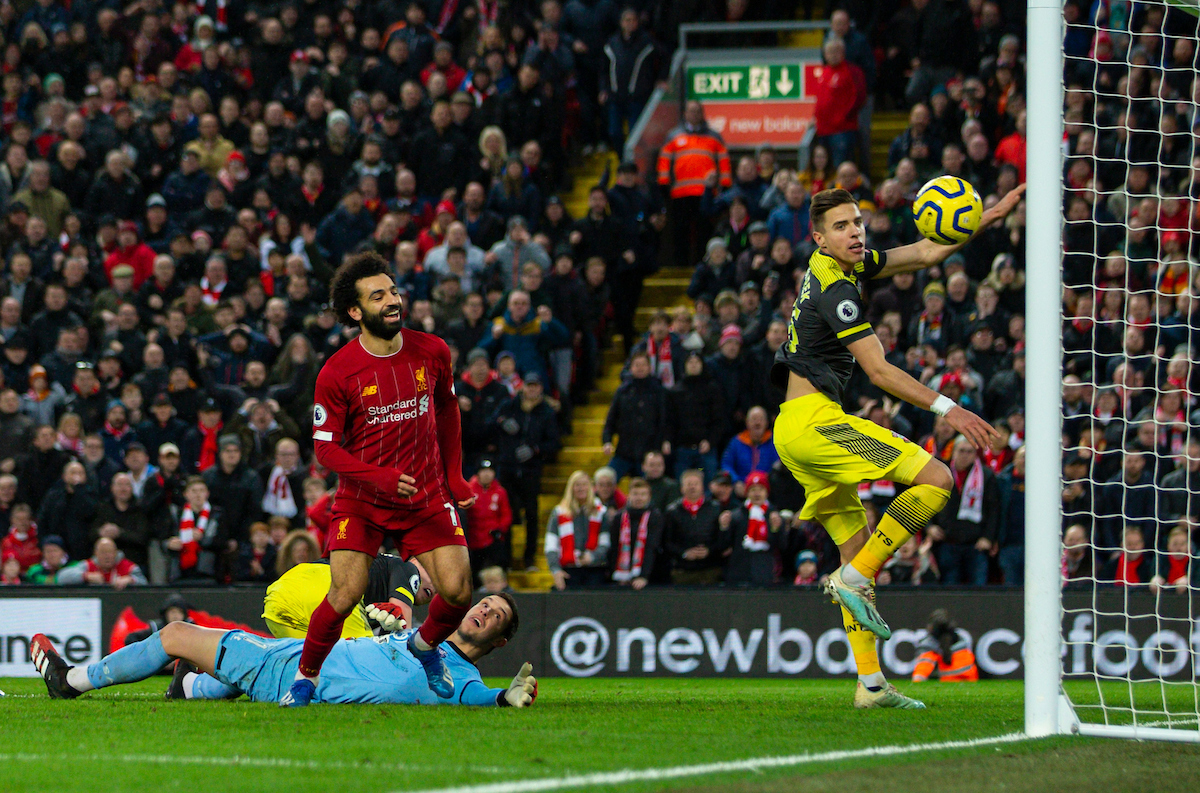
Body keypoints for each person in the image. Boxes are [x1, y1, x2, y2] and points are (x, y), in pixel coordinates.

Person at [770, 184, 1024, 709]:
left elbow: (927, 251)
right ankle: (853, 578)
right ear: (819, 237)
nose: (855, 231)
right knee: (938, 479)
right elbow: (879, 370)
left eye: (857, 222)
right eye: (841, 226)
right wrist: (947, 408)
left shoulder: (841, 268)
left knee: (855, 547)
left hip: (797, 428)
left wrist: (986, 217)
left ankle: (870, 685)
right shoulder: (835, 290)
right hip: (815, 423)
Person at [293, 252, 475, 707]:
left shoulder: (432, 350)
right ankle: (305, 679)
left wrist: (455, 476)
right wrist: (381, 477)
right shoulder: (336, 371)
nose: (393, 301)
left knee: (458, 592)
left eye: (393, 291)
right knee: (344, 593)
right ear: (355, 312)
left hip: (426, 495)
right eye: (379, 296)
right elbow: (325, 448)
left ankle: (425, 645)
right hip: (363, 501)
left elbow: (448, 409)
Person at [28, 594, 537, 708]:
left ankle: (69, 681)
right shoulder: (421, 641)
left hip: (292, 671)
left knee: (174, 634)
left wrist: (505, 700)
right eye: (485, 603)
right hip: (298, 657)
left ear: (501, 640)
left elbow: (481, 699)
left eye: (497, 616)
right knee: (222, 668)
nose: (485, 612)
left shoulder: (461, 680)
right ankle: (188, 686)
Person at [263, 554, 433, 639]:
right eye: (437, 574)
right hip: (325, 587)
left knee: (310, 666)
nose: (438, 586)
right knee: (364, 666)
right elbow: (404, 636)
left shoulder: (381, 569)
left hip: (280, 594)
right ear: (417, 559)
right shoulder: (408, 568)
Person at [545, 470, 610, 590]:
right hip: (569, 570)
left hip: (595, 570)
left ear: (590, 487)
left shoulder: (601, 512)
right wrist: (555, 570)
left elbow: (605, 543)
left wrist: (593, 557)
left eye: (584, 484)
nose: (581, 488)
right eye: (577, 485)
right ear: (571, 488)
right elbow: (551, 545)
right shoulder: (559, 512)